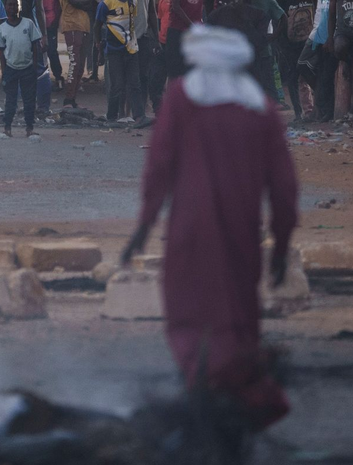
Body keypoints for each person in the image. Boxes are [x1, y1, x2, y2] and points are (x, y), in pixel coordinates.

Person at [123, 23, 298, 431]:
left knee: (187, 310)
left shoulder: (183, 98)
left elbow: (159, 167)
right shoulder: (261, 109)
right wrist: (283, 245)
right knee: (238, 310)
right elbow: (285, 187)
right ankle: (238, 391)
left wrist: (143, 227)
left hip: (190, 228)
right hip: (243, 231)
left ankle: (200, 385)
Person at [95, 0, 148, 126]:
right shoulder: (106, 3)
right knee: (117, 85)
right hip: (114, 50)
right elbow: (97, 26)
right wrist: (99, 46)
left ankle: (139, 116)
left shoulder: (133, 0)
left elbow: (131, 24)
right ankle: (112, 117)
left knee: (135, 84)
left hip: (131, 49)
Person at [274, 0, 317, 122]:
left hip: (311, 39)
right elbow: (280, 17)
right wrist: (282, 42)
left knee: (311, 74)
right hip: (291, 41)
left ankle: (313, 110)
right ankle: (299, 113)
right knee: (293, 77)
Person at [0, 0, 42, 137]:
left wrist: (35, 66)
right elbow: (1, 51)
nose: (12, 7)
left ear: (20, 7)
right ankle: (7, 127)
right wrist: (4, 71)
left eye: (15, 5)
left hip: (28, 68)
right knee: (11, 100)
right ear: (5, 7)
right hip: (11, 68)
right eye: (9, 5)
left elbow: (36, 46)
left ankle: (29, 128)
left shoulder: (28, 24)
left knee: (29, 100)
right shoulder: (2, 28)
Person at [58, 0, 97, 108]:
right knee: (75, 63)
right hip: (72, 25)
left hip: (83, 26)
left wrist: (87, 3)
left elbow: (88, 1)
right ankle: (68, 98)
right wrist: (87, 3)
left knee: (80, 65)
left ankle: (72, 98)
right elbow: (77, 2)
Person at [125, 0, 160, 114]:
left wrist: (157, 36)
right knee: (128, 77)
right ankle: (125, 111)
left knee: (143, 76)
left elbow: (151, 11)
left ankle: (141, 111)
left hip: (144, 36)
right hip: (125, 36)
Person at [244, 0, 286, 101]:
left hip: (264, 50)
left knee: (268, 85)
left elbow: (283, 18)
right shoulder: (243, 1)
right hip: (246, 50)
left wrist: (274, 36)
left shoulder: (268, 2)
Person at [38, 0, 63, 84]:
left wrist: (56, 21)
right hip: (36, 21)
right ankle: (41, 79)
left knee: (52, 51)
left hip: (50, 20)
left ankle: (58, 77)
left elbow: (59, 3)